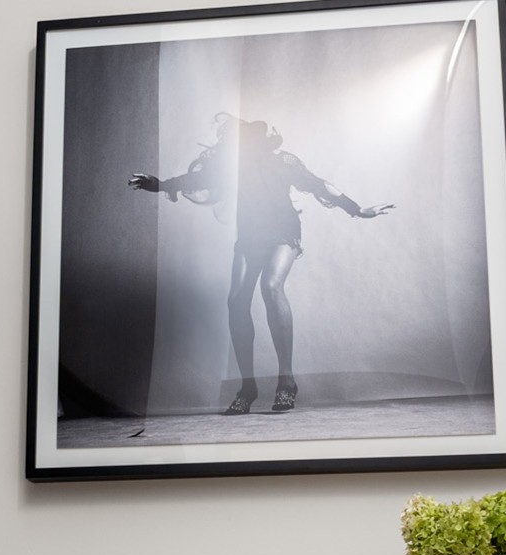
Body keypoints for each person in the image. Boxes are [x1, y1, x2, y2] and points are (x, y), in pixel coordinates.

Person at [129, 114, 393, 414]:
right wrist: (160, 185)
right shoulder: (230, 166)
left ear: (262, 140)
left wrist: (357, 209)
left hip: (283, 231)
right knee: (236, 301)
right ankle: (248, 387)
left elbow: (320, 185)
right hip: (251, 235)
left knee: (271, 285)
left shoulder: (283, 162)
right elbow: (194, 180)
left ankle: (286, 382)